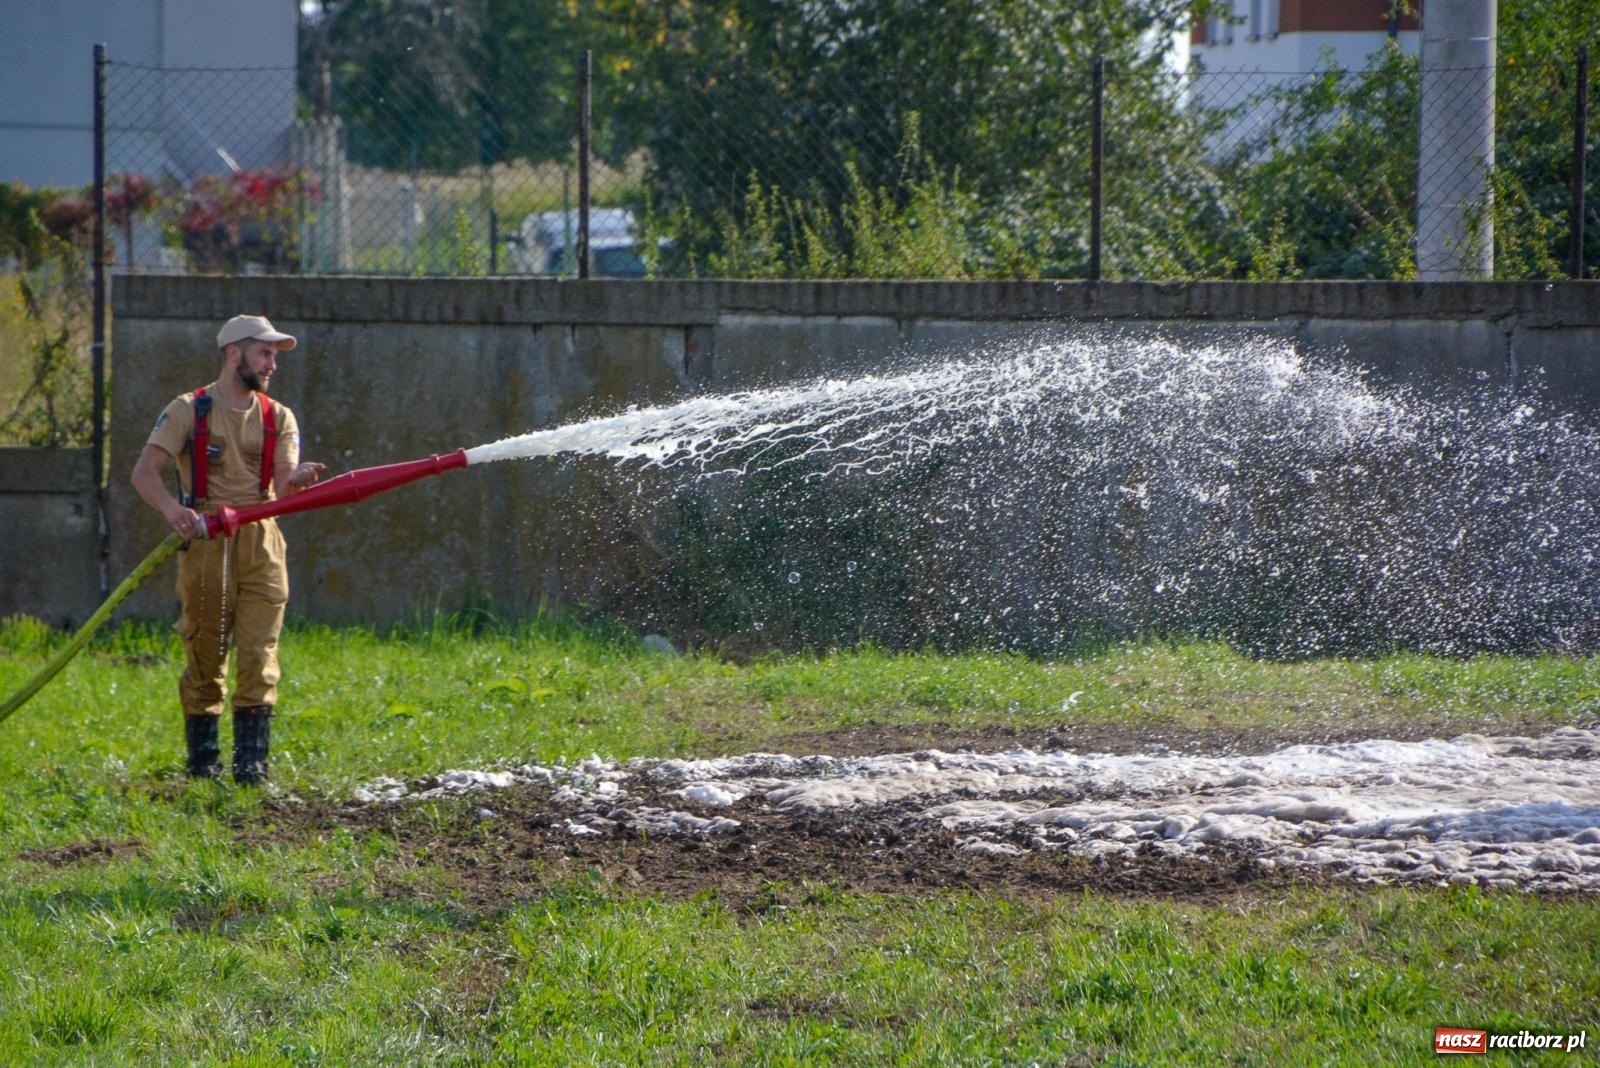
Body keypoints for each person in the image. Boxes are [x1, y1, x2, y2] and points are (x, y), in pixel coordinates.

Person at [131, 315, 325, 784]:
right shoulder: (187, 410)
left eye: (275, 355)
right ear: (234, 353)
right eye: (264, 353)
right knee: (205, 651)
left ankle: (251, 768)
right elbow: (145, 473)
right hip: (206, 540)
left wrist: (295, 482)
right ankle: (203, 765)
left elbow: (283, 480)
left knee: (260, 652)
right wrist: (172, 510)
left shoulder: (279, 416)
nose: (272, 364)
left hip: (262, 543)